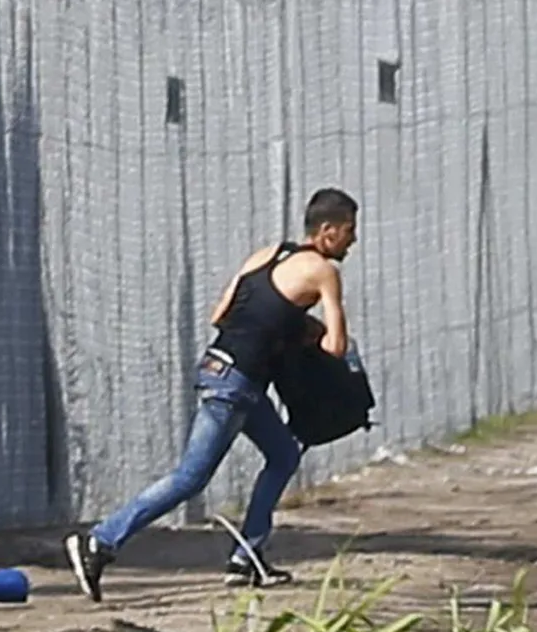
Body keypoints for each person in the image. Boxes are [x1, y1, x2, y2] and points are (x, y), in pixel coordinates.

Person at [65, 188, 361, 602]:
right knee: (190, 477)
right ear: (328, 231)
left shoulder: (270, 253)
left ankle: (247, 558)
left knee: (283, 454)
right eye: (349, 230)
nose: (353, 240)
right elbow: (336, 348)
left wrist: (288, 326)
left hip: (221, 369)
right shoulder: (323, 271)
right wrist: (313, 333)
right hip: (236, 383)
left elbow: (220, 314)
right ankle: (99, 542)